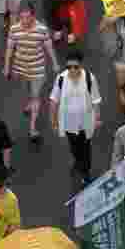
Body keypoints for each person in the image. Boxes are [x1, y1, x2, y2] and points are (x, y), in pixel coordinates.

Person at [5, 1, 58, 141]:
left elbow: (49, 47)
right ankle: (29, 103)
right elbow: (9, 49)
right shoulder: (14, 29)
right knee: (25, 90)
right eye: (21, 17)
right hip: (20, 67)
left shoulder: (42, 29)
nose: (24, 21)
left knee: (35, 96)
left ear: (33, 16)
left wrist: (55, 63)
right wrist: (6, 67)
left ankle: (32, 128)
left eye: (27, 17)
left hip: (37, 69)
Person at [50, 51, 102, 181]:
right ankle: (78, 161)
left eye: (76, 67)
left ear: (81, 65)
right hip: (68, 122)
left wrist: (97, 118)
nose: (72, 70)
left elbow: (96, 100)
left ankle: (85, 171)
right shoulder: (61, 78)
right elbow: (54, 100)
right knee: (73, 146)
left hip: (86, 122)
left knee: (85, 148)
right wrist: (54, 121)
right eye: (69, 67)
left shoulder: (90, 78)